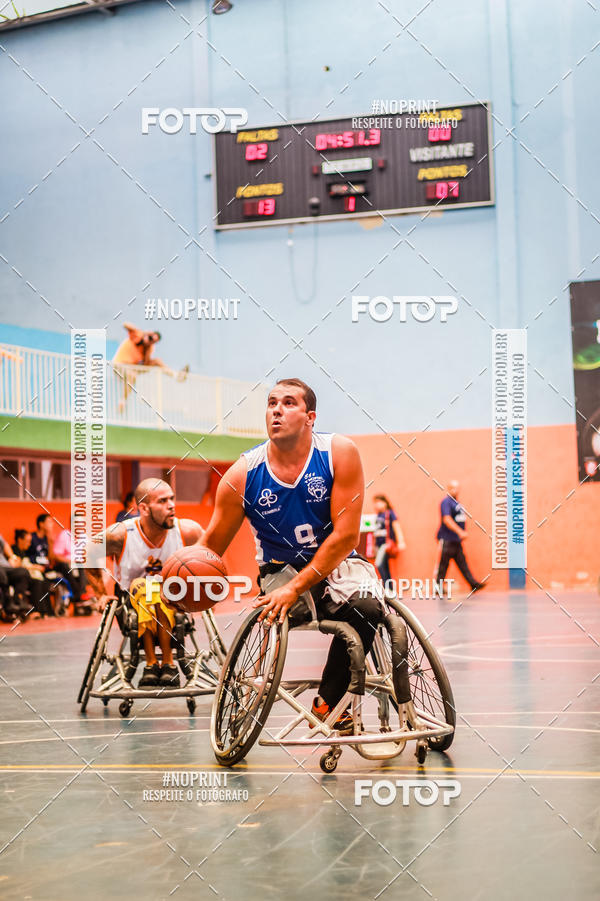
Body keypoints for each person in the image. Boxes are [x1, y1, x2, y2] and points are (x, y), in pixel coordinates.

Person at [198, 377, 384, 734]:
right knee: (283, 608)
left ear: (310, 417)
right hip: (278, 570)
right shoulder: (242, 475)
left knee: (371, 608)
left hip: (336, 563)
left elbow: (346, 537)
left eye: (288, 403)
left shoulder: (338, 453)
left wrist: (299, 586)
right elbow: (209, 550)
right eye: (271, 403)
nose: (277, 410)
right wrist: (184, 583)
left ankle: (329, 701)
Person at [86, 478, 203, 687]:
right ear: (144, 508)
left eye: (172, 499)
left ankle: (153, 665)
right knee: (146, 587)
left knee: (158, 589)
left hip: (175, 601)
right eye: (163, 501)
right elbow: (87, 552)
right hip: (130, 605)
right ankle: (165, 663)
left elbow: (211, 556)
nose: (171, 505)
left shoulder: (188, 531)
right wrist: (101, 593)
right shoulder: (120, 535)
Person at [436, 480, 484, 594]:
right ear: (448, 488)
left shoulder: (456, 503)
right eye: (452, 488)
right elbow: (447, 519)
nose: (455, 490)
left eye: (457, 488)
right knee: (443, 564)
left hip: (456, 541)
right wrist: (460, 532)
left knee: (462, 563)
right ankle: (438, 587)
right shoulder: (446, 502)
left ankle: (473, 584)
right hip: (447, 539)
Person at [12, 529, 54, 617]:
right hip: (18, 577)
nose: (29, 544)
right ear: (20, 539)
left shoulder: (23, 552)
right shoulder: (13, 550)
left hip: (27, 576)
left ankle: (46, 612)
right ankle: (37, 611)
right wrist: (35, 567)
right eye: (27, 541)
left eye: (30, 542)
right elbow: (15, 565)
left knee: (44, 582)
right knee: (37, 582)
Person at [373, 494, 405, 595]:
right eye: (375, 503)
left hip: (386, 544)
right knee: (385, 566)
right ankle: (390, 588)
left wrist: (401, 541)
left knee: (378, 564)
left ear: (385, 503)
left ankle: (387, 588)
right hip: (379, 544)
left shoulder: (390, 513)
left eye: (379, 502)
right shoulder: (378, 515)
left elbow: (396, 527)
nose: (377, 505)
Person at [0, 533, 31, 620]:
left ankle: (18, 600)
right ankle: (8, 603)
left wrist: (13, 557)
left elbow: (5, 545)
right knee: (1, 573)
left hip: (6, 567)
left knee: (23, 572)